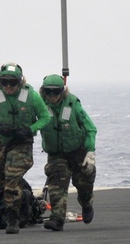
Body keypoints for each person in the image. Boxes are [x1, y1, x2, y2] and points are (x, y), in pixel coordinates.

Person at [0, 62, 53, 234]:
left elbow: (45, 117)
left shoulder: (31, 95)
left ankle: (12, 217)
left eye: (13, 82)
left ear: (20, 82)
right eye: (5, 82)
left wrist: (30, 129)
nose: (9, 86)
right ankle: (22, 197)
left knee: (12, 177)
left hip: (22, 142)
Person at [38, 74, 97, 231]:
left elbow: (90, 128)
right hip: (57, 154)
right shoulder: (39, 104)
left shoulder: (73, 104)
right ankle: (57, 219)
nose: (52, 97)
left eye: (56, 92)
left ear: (62, 92)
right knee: (57, 183)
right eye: (48, 92)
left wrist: (90, 152)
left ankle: (87, 204)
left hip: (78, 151)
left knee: (84, 184)